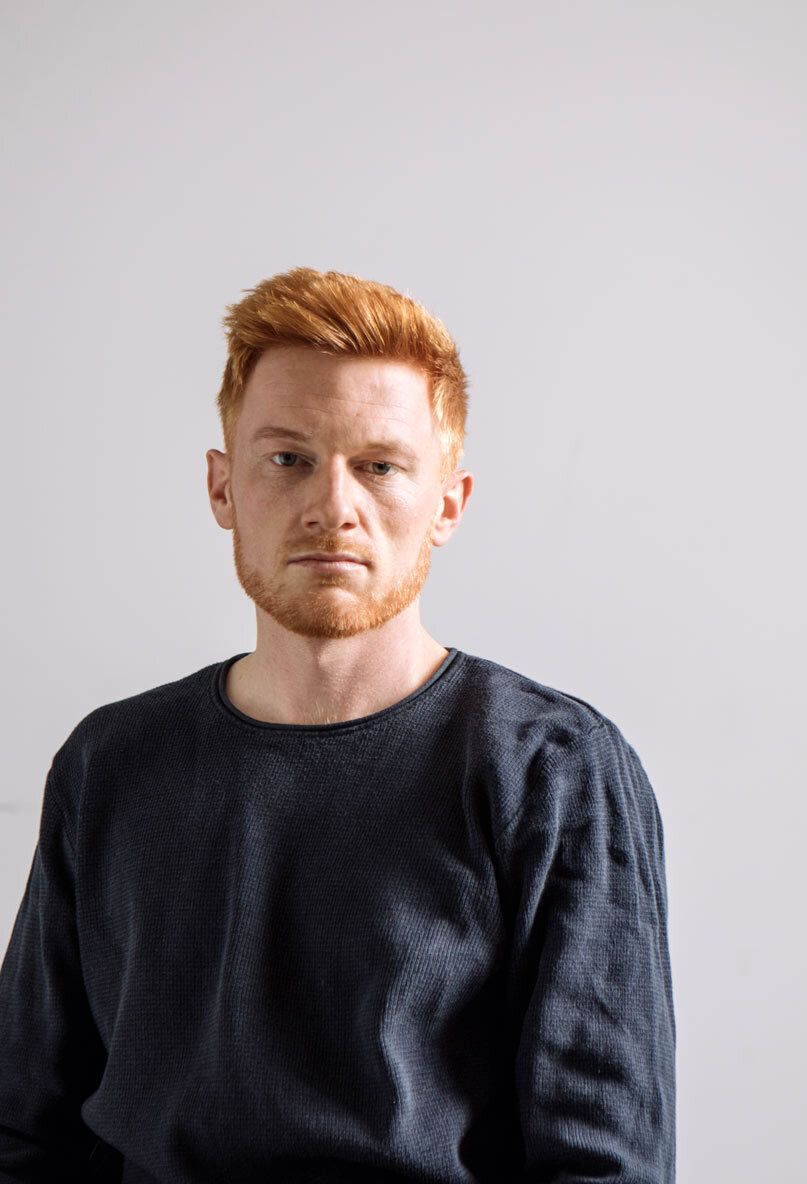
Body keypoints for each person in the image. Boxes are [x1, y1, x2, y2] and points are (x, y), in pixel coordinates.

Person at [0, 267, 676, 1182]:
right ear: (222, 487)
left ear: (447, 503)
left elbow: (603, 1164)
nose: (333, 506)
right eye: (288, 459)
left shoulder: (551, 769)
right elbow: (24, 1131)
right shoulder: (111, 763)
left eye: (379, 466)